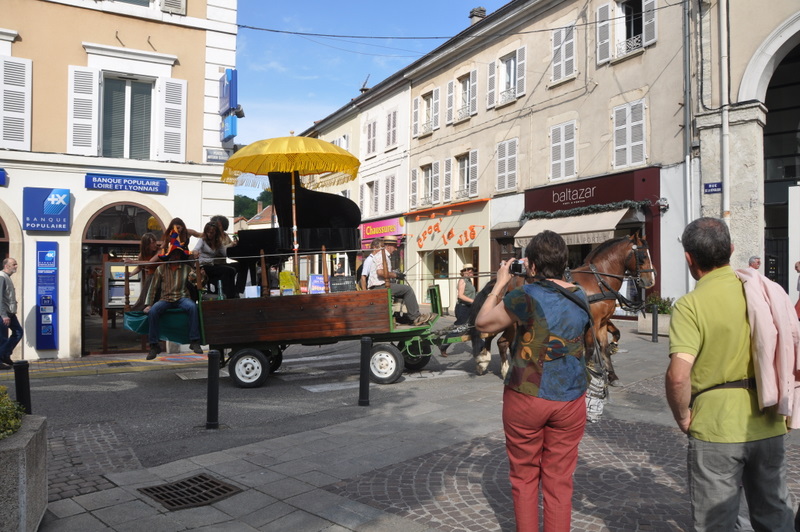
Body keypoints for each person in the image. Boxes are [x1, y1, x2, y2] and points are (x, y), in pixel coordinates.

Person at [665, 217, 795, 531]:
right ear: (732, 250)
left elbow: (678, 376)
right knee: (776, 515)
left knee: (716, 522)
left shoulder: (691, 305)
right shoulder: (765, 292)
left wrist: (683, 417)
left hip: (716, 425)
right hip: (768, 419)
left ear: (689, 259)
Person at [475, 231, 591, 532]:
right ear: (564, 262)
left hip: (526, 395)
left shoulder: (524, 295)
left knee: (524, 477)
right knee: (559, 481)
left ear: (533, 265)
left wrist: (499, 284)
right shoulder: (580, 295)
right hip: (569, 398)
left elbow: (483, 323)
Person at [143, 239, 203, 360]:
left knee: (192, 307)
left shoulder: (186, 268)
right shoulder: (161, 269)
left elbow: (197, 280)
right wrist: (149, 304)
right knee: (153, 311)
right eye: (174, 254)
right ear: (169, 256)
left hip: (182, 297)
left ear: (180, 256)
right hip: (165, 299)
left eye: (178, 254)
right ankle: (154, 345)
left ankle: (194, 341)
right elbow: (153, 288)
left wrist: (200, 273)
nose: (176, 256)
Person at [367, 236, 434, 326]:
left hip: (379, 285)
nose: (395, 249)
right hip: (379, 286)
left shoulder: (383, 255)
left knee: (402, 292)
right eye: (395, 246)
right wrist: (396, 275)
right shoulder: (382, 255)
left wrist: (396, 274)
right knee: (408, 290)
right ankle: (415, 317)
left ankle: (401, 317)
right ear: (388, 246)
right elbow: (380, 272)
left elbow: (384, 272)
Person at [440, 263, 478, 357]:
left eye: (473, 271)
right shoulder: (462, 280)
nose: (473, 273)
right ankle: (443, 346)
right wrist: (473, 301)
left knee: (472, 328)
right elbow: (460, 296)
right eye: (471, 271)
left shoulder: (469, 280)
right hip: (463, 308)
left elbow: (471, 294)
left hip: (469, 307)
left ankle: (479, 348)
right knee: (458, 329)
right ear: (466, 271)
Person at [194, 222, 237, 299]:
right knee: (227, 270)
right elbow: (196, 249)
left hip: (211, 265)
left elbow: (225, 253)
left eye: (212, 233)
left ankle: (231, 294)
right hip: (202, 266)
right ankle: (226, 294)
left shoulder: (218, 242)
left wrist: (234, 247)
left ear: (216, 233)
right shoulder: (202, 240)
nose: (209, 234)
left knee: (232, 270)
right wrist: (195, 253)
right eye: (208, 232)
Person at [126, 232, 161, 311]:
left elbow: (150, 262)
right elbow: (139, 267)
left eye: (155, 242)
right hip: (151, 277)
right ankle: (140, 308)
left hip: (161, 277)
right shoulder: (142, 255)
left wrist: (132, 262)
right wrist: (131, 274)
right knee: (146, 290)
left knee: (151, 282)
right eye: (152, 243)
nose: (155, 244)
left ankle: (143, 307)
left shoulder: (160, 251)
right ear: (146, 245)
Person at [0, 258, 23, 370]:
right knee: (2, 338)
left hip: (10, 313)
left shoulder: (7, 277)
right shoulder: (2, 277)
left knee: (18, 332)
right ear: (6, 266)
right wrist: (4, 315)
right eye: (14, 264)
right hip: (3, 314)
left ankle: (5, 355)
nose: (16, 266)